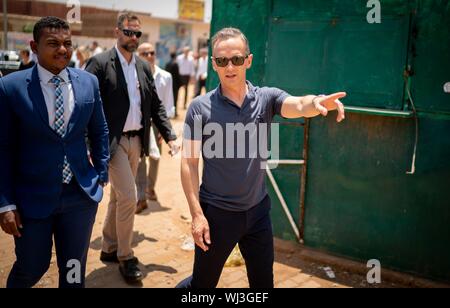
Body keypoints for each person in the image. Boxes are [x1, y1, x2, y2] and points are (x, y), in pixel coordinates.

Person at [177, 27, 346, 288]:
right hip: (217, 215)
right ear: (213, 64)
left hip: (257, 212)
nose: (229, 66)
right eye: (221, 61)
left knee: (263, 284)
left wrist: (317, 102)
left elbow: (298, 105)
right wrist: (197, 215)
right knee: (202, 286)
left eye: (236, 59)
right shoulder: (200, 107)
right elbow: (189, 163)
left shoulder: (266, 98)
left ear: (248, 60)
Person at [0, 16, 110, 288]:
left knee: (73, 271)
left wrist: (101, 173)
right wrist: (5, 203)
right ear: (34, 46)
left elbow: (100, 131)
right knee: (31, 267)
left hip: (79, 196)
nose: (62, 49)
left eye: (67, 43)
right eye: (53, 43)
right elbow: (3, 147)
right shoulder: (11, 87)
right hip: (31, 199)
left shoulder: (88, 83)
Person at [85, 12, 179, 284]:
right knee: (129, 196)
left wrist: (170, 135)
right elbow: (86, 103)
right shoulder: (100, 63)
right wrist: (90, 143)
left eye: (138, 34)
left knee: (118, 196)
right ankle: (126, 256)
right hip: (111, 142)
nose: (133, 38)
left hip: (137, 140)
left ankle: (109, 246)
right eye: (129, 32)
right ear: (117, 31)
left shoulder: (143, 66)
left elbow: (155, 106)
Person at [135, 43, 175, 213]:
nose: (150, 56)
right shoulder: (133, 75)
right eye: (145, 53)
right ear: (139, 55)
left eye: (152, 52)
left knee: (155, 157)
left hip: (157, 124)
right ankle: (142, 195)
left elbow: (168, 105)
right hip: (139, 123)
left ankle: (150, 187)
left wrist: (165, 130)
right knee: (140, 159)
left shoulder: (165, 76)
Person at [165, 52, 181, 117]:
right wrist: (180, 84)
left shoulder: (167, 64)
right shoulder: (175, 64)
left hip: (168, 84)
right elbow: (177, 75)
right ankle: (174, 112)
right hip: (175, 85)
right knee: (175, 98)